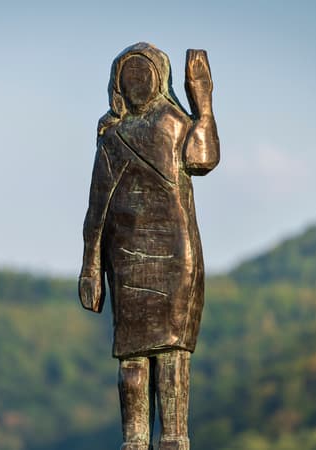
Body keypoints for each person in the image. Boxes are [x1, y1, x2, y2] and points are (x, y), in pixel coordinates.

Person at [78, 42, 220, 450]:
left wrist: (204, 102)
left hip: (175, 253)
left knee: (173, 354)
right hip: (125, 260)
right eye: (129, 76)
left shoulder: (177, 123)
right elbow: (97, 208)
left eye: (144, 74)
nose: (137, 82)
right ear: (118, 83)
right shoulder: (111, 136)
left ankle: (175, 439)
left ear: (159, 79)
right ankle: (134, 441)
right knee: (132, 360)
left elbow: (203, 159)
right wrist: (91, 265)